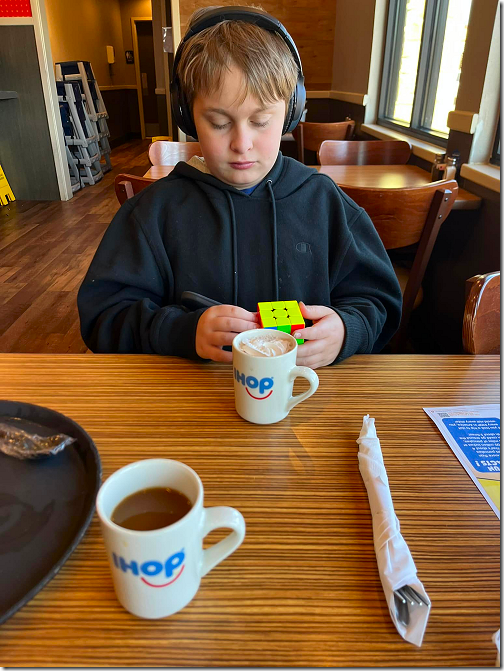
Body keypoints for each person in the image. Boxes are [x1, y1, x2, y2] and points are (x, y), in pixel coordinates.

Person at [77, 6, 402, 369]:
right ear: (188, 116)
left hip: (305, 405)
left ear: (290, 113)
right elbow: (103, 317)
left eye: (261, 121)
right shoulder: (153, 214)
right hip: (189, 407)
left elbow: (379, 303)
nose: (242, 143)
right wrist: (183, 331)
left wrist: (347, 330)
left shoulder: (325, 204)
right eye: (218, 123)